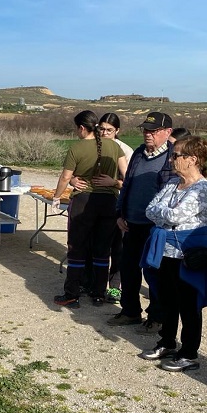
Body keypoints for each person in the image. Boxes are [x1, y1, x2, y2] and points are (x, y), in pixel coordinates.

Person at [138, 136, 207, 372]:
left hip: (188, 254)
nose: (171, 159)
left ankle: (189, 352)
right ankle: (167, 342)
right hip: (165, 251)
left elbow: (175, 216)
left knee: (189, 303)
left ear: (192, 159)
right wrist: (165, 213)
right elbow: (149, 210)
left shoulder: (202, 188)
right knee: (166, 299)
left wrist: (163, 213)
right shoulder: (172, 183)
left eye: (176, 155)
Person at [51, 110, 128, 308]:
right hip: (108, 202)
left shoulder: (76, 148)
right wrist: (114, 183)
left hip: (83, 202)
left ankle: (72, 294)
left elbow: (65, 178)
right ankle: (98, 293)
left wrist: (57, 196)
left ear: (82, 128)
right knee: (102, 250)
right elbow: (126, 176)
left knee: (77, 248)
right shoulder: (114, 146)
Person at [108, 111, 175, 327]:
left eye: (154, 131)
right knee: (128, 270)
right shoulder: (138, 153)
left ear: (167, 132)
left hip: (156, 227)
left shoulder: (174, 157)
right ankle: (130, 311)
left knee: (155, 274)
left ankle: (156, 317)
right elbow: (127, 184)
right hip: (131, 223)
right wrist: (120, 213)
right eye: (146, 130)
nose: (148, 134)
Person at [71, 112, 134, 303]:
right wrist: (73, 180)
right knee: (93, 244)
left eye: (110, 130)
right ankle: (91, 283)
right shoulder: (91, 145)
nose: (105, 133)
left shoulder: (124, 150)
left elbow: (130, 182)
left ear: (117, 131)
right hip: (94, 202)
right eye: (102, 129)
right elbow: (73, 171)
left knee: (116, 247)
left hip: (117, 203)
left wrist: (113, 182)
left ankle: (114, 287)